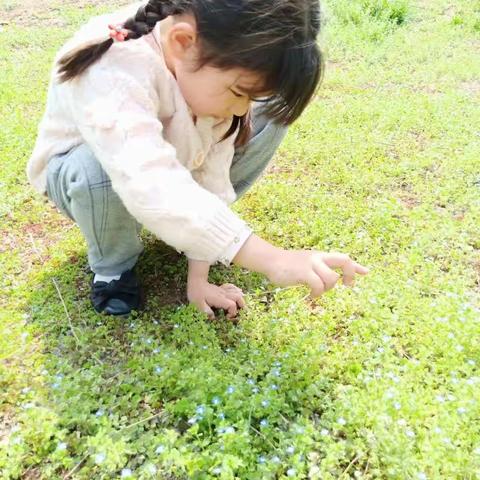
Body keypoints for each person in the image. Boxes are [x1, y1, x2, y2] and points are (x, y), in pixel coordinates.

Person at [26, 0, 368, 318]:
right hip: (96, 178)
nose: (240, 108)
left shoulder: (208, 60)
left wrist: (199, 277)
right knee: (95, 170)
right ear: (182, 42)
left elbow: (213, 173)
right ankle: (113, 270)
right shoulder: (114, 66)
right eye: (239, 93)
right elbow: (145, 179)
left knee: (267, 117)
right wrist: (272, 259)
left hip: (171, 164)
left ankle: (189, 227)